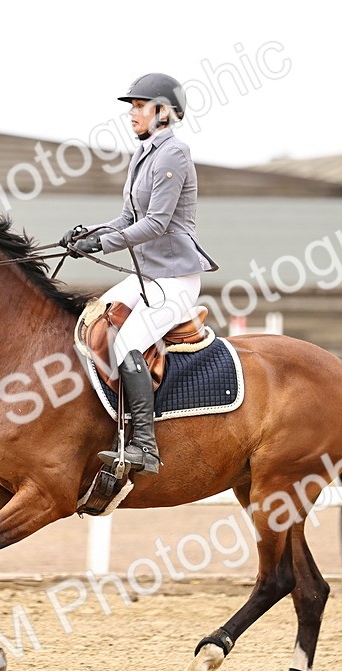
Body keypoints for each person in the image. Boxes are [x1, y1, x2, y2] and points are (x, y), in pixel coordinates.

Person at [60, 73, 218, 476]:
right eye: (131, 106)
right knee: (96, 318)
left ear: (163, 112)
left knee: (128, 341)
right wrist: (89, 235)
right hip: (147, 274)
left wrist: (105, 244)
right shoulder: (144, 153)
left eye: (139, 106)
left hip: (174, 279)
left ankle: (145, 445)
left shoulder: (174, 154)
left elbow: (157, 224)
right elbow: (129, 218)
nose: (132, 114)